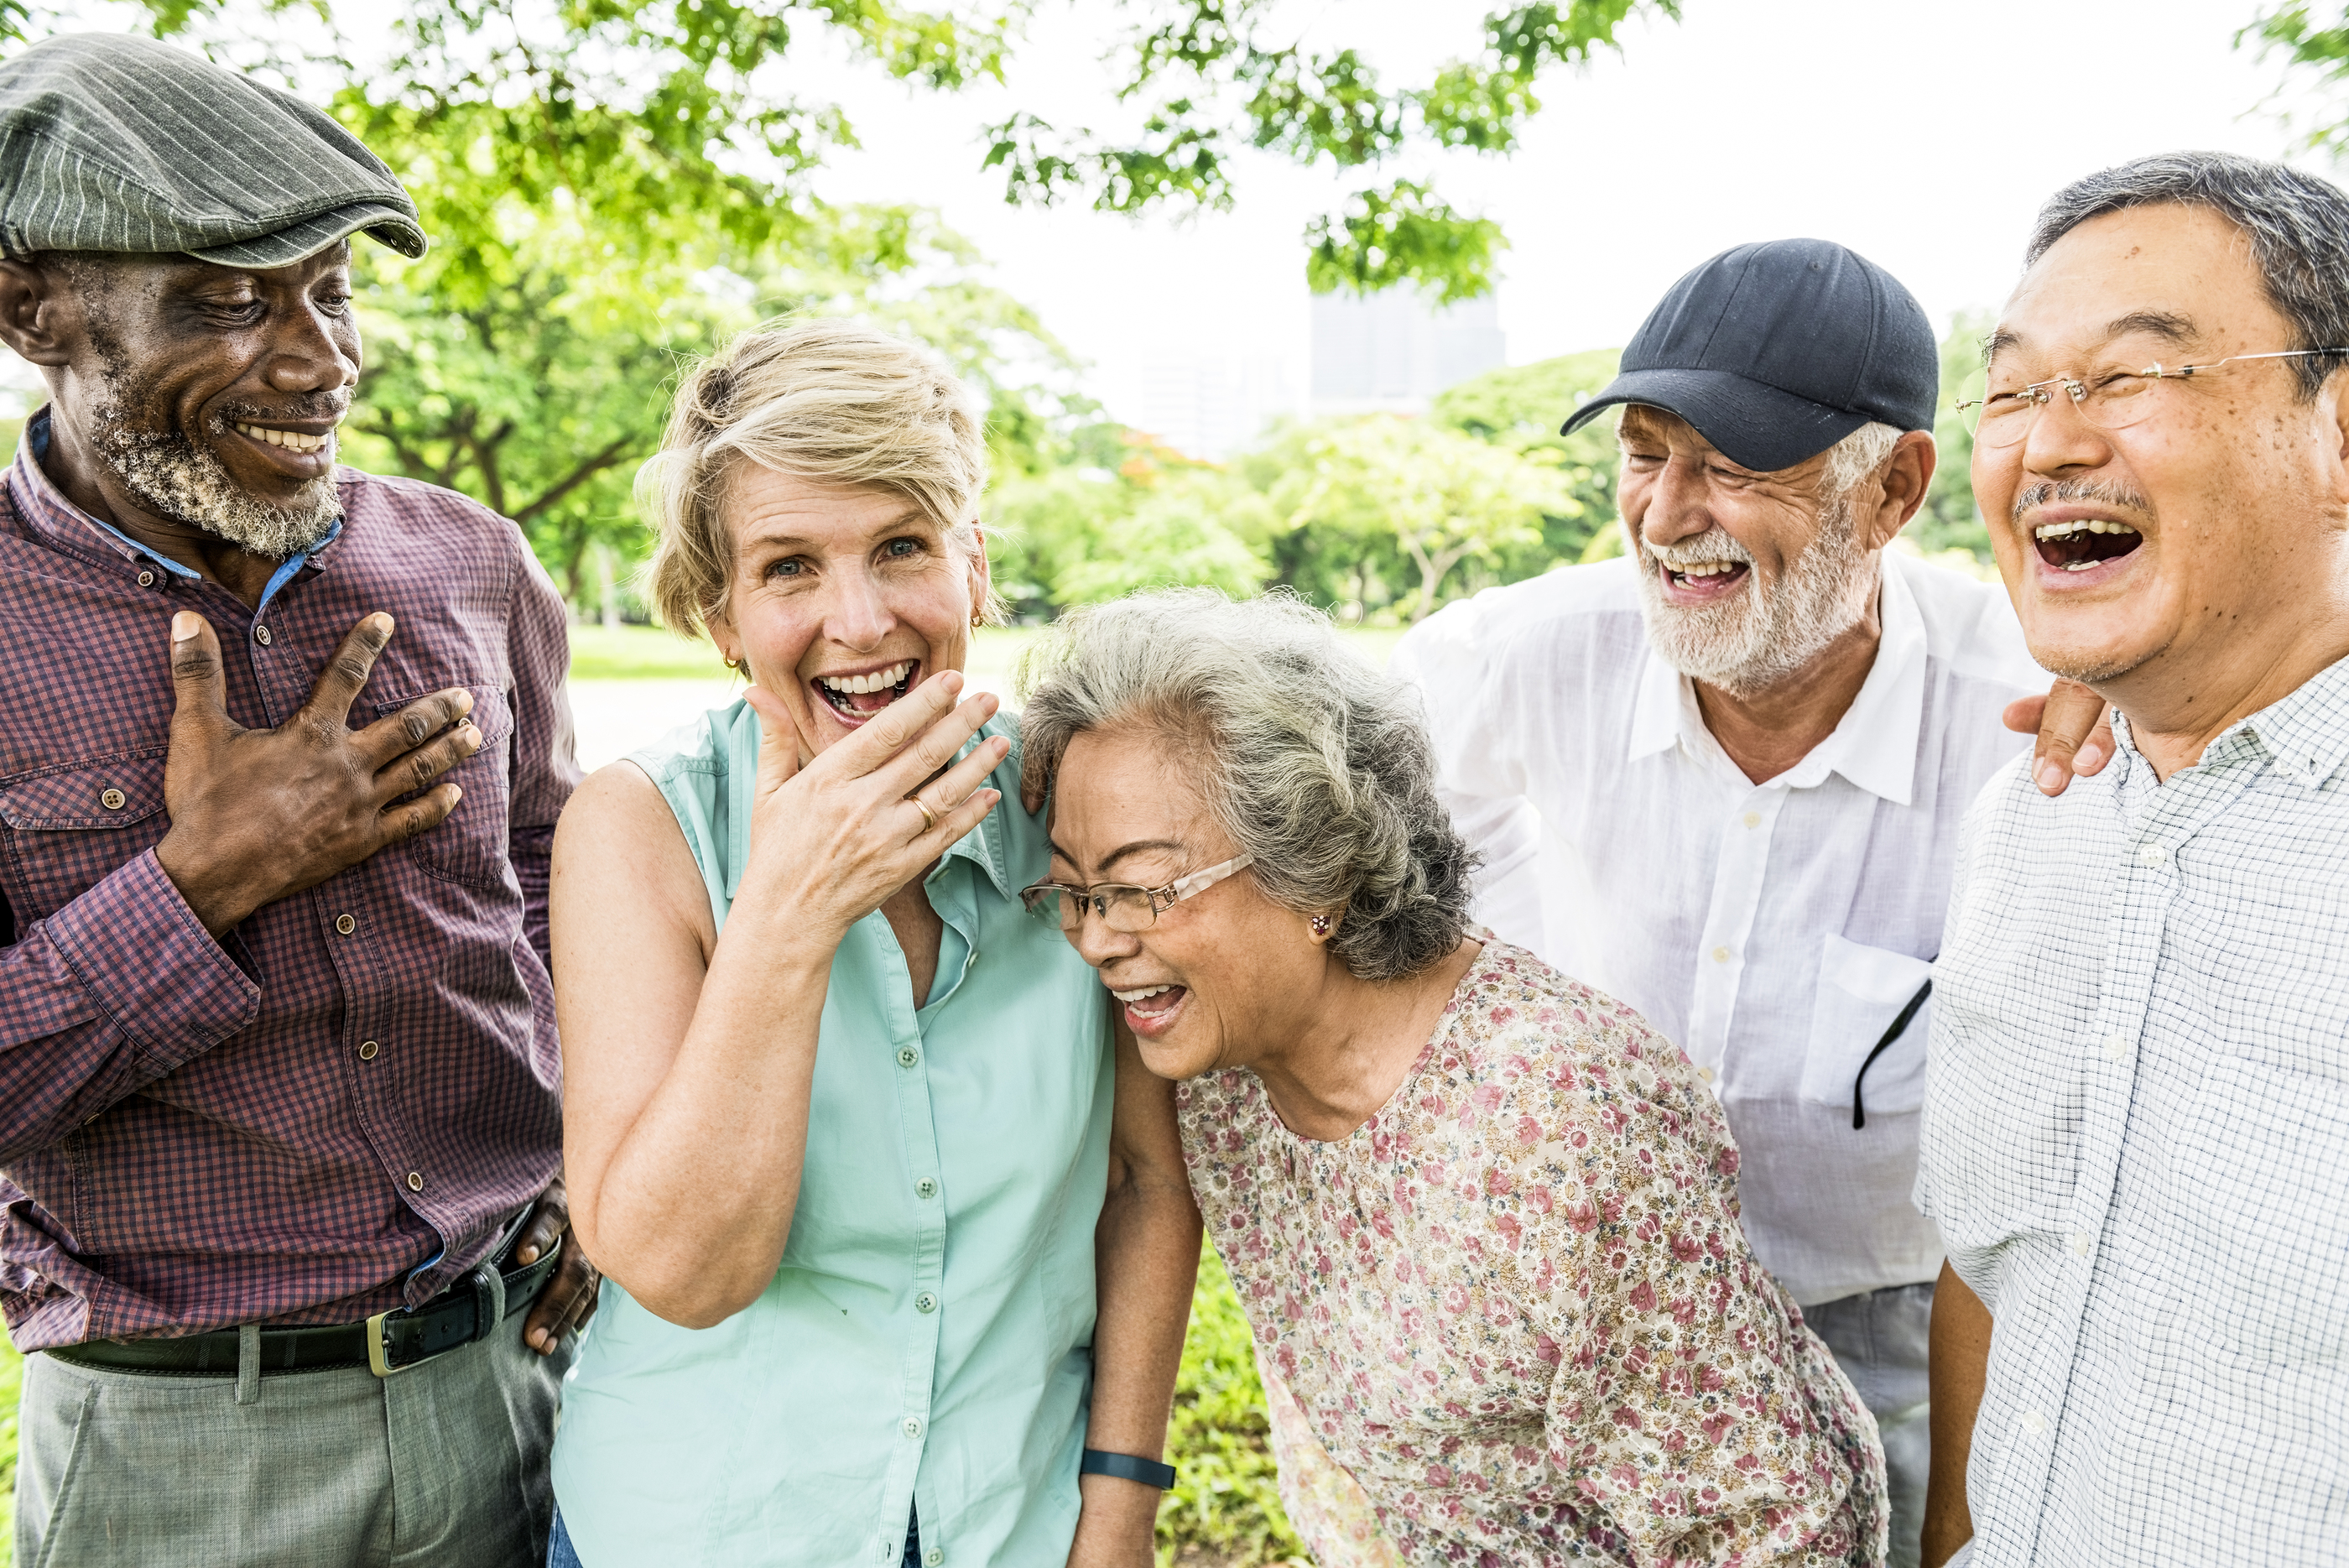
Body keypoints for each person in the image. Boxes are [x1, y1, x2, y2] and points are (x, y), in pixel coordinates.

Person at [0, 34, 598, 1568]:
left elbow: (564, 899)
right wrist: (200, 885)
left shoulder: (472, 564)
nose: (320, 359)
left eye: (330, 290)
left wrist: (597, 1174)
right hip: (176, 1447)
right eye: (228, 299)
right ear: (29, 309)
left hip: (519, 1380)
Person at [1387, 239, 2054, 1567]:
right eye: (1646, 454)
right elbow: (1320, 805)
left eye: (1735, 466)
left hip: (1889, 1338)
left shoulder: (2029, 713)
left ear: (1895, 488)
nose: (1669, 514)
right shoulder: (1523, 657)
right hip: (1570, 1326)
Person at [1020, 586, 1891, 1566]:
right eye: (1074, 891)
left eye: (1142, 888)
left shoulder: (1556, 1121)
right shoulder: (1217, 1064)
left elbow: (1775, 1527)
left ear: (1316, 873)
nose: (1095, 938)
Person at [545, 319, 1203, 1568]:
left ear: (972, 569)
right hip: (699, 1528)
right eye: (789, 567)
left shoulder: (1069, 805)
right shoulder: (638, 828)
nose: (859, 621)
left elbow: (1144, 1186)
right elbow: (684, 1272)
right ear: (719, 614)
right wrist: (788, 912)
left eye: (901, 547)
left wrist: (1116, 1515)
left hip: (1013, 1522)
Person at [1916, 151, 2349, 1568]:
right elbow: (1996, 1263)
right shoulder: (2035, 810)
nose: (2049, 442)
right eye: (2016, 389)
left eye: (2128, 377)